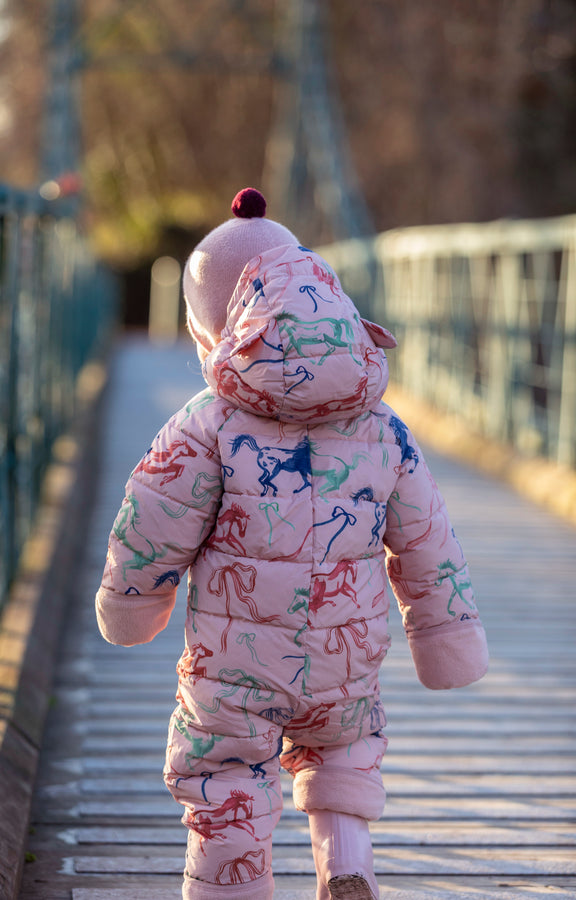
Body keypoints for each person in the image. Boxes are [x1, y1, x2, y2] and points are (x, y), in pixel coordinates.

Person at [96, 188, 488, 900]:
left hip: (234, 669)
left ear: (212, 328)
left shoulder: (206, 423)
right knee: (345, 753)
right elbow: (428, 539)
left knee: (227, 783)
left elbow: (152, 518)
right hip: (347, 656)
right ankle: (348, 866)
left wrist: (133, 602)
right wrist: (446, 633)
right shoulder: (382, 424)